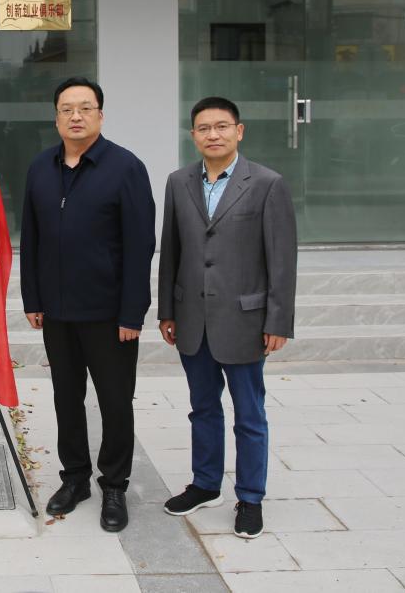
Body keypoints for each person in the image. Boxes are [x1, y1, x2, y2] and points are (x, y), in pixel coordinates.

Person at [157, 96, 297, 539]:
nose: (212, 134)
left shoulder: (267, 184)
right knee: (202, 408)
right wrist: (167, 310)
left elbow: (282, 259)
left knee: (249, 414)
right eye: (203, 128)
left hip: (244, 320)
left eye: (221, 126)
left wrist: (278, 320)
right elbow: (171, 251)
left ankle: (250, 498)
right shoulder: (179, 182)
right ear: (193, 135)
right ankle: (205, 484)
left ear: (239, 131)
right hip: (191, 318)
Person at [20, 77, 155, 532]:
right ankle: (75, 478)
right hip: (58, 312)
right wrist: (33, 297)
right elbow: (31, 238)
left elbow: (140, 245)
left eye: (85, 108)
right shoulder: (41, 167)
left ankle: (114, 485)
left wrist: (132, 313)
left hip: (109, 314)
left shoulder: (125, 167)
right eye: (66, 108)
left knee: (115, 401)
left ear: (100, 114)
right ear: (55, 116)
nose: (75, 116)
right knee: (66, 398)